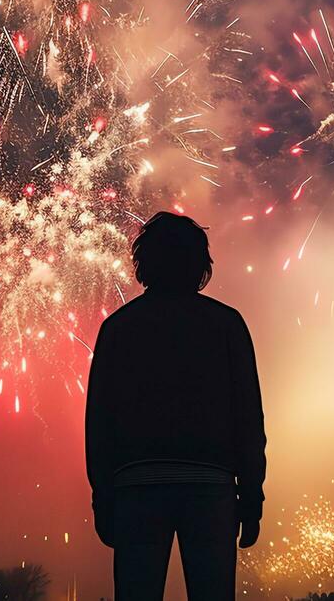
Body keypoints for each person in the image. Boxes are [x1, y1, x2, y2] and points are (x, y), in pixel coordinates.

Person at [85, 212, 266, 600]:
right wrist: (251, 495)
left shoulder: (118, 328)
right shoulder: (227, 324)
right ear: (200, 263)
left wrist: (103, 496)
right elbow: (249, 417)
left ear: (144, 263)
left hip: (136, 488)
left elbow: (99, 421)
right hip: (211, 487)